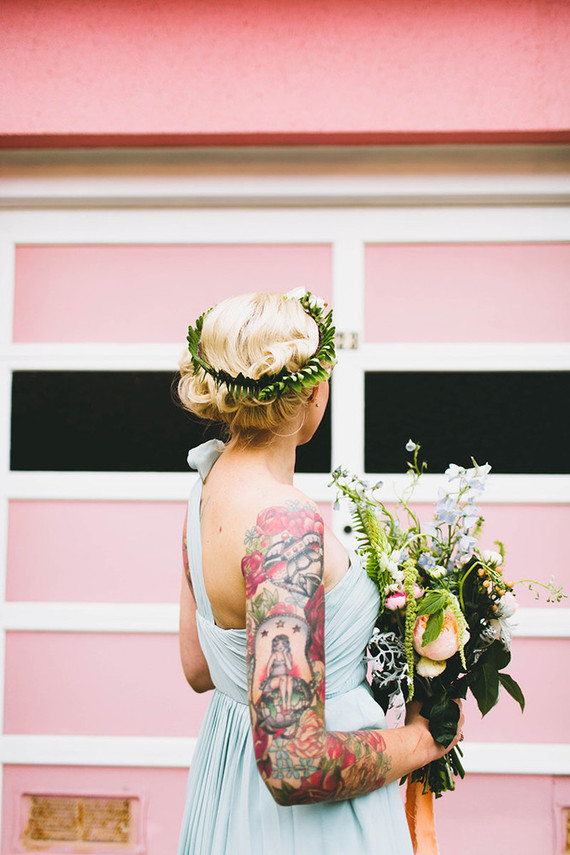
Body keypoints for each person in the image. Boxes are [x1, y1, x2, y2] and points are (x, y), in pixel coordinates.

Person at [176, 290, 463, 855]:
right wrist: (421, 740)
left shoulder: (205, 486)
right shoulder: (283, 526)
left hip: (230, 781)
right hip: (310, 830)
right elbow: (294, 766)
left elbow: (198, 668)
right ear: (312, 389)